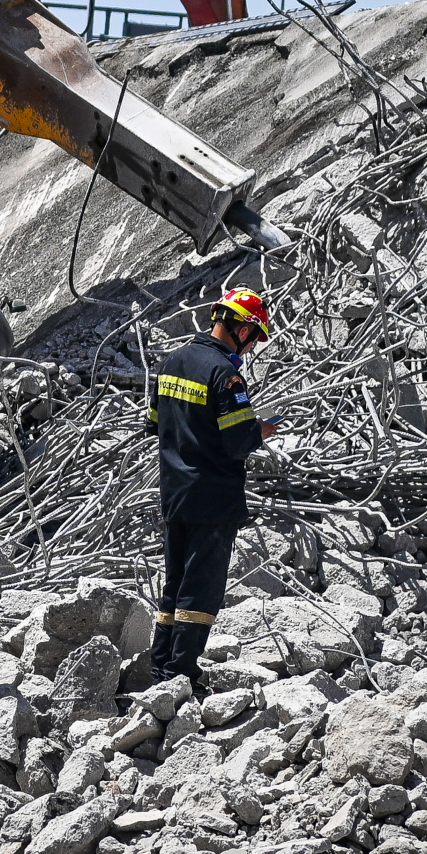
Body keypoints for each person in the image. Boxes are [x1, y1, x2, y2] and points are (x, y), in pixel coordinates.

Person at [146, 287, 279, 684]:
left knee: (174, 585)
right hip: (212, 497)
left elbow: (155, 423)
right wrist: (262, 430)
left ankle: (160, 667)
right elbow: (237, 442)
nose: (253, 348)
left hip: (174, 492)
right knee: (200, 592)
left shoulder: (171, 363)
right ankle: (181, 673)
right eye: (255, 337)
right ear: (241, 329)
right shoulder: (226, 375)